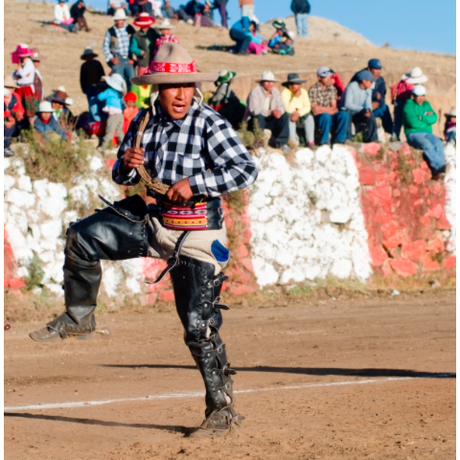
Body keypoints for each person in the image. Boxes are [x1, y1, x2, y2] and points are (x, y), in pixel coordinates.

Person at [29, 42, 257, 439]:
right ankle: (80, 315)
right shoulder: (142, 122)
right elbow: (121, 175)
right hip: (152, 221)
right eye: (173, 86)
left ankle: (221, 410)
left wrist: (197, 183)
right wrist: (128, 168)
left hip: (199, 232)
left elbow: (246, 169)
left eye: (187, 85)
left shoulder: (209, 123)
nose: (182, 94)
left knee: (198, 327)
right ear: (158, 89)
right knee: (82, 237)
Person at [403, 85, 445, 180]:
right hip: (413, 133)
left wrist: (422, 117)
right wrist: (426, 121)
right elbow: (412, 123)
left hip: (427, 132)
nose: (421, 98)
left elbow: (434, 118)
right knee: (426, 144)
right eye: (419, 96)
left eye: (423, 96)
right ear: (413, 96)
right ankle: (439, 167)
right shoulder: (408, 106)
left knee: (438, 143)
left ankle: (440, 169)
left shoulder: (426, 104)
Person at [244, 70, 290, 153]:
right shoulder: (255, 92)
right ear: (262, 82)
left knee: (284, 116)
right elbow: (254, 110)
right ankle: (259, 143)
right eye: (267, 82)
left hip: (270, 118)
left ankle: (281, 143)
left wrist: (278, 112)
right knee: (259, 117)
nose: (270, 84)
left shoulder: (275, 92)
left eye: (271, 82)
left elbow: (281, 105)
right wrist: (270, 112)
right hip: (255, 120)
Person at [351, 58, 393, 137]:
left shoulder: (380, 80)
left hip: (373, 107)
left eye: (380, 69)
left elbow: (381, 97)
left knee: (384, 108)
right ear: (369, 69)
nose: (378, 72)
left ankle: (390, 134)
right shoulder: (359, 77)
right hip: (359, 108)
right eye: (376, 69)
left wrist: (378, 102)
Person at [309, 66, 349, 146]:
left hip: (331, 114)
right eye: (325, 77)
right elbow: (314, 110)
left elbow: (335, 108)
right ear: (319, 78)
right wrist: (328, 110)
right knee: (325, 116)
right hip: (321, 117)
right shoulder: (313, 89)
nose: (328, 79)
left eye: (329, 77)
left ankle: (340, 140)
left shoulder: (332, 89)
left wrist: (320, 108)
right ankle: (324, 141)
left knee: (344, 114)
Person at [391, 67, 428, 142]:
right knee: (408, 120)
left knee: (397, 121)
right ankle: (410, 138)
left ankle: (394, 137)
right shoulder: (413, 86)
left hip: (398, 102)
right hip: (406, 103)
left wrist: (392, 98)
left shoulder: (402, 82)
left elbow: (393, 87)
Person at [102, 9, 136, 90]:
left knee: (132, 80)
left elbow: (136, 43)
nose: (118, 22)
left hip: (129, 58)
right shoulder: (111, 31)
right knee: (117, 81)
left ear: (124, 20)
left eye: (120, 20)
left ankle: (131, 99)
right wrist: (111, 58)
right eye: (116, 20)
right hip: (117, 58)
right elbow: (105, 47)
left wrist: (133, 58)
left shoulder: (130, 28)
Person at [341, 70, 378, 143]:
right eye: (370, 81)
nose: (371, 83)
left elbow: (368, 103)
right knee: (347, 114)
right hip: (347, 110)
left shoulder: (368, 89)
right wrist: (361, 109)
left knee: (371, 115)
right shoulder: (351, 87)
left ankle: (373, 139)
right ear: (364, 81)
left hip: (358, 110)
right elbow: (347, 104)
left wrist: (368, 110)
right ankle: (348, 139)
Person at [280, 73, 314, 147]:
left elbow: (308, 107)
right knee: (290, 119)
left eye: (300, 84)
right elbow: (288, 109)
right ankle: (293, 143)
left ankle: (310, 141)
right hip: (291, 116)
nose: (299, 86)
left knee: (309, 118)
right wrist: (295, 97)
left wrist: (298, 113)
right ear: (290, 85)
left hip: (301, 115)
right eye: (297, 84)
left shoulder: (303, 92)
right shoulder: (284, 93)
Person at [11, 44, 37, 126]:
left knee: (29, 112)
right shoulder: (23, 64)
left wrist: (18, 69)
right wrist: (18, 71)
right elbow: (14, 76)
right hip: (19, 87)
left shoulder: (28, 63)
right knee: (17, 109)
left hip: (27, 88)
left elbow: (21, 74)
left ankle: (30, 127)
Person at [97, 73, 125, 149]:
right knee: (120, 132)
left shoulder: (109, 91)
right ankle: (124, 146)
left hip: (113, 114)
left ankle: (104, 146)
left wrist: (100, 90)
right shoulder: (119, 93)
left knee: (110, 130)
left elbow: (100, 97)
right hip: (120, 114)